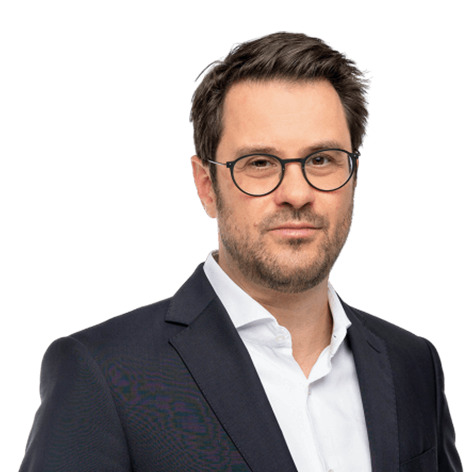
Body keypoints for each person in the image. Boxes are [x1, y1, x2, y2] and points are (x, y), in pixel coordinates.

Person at [21, 33, 462, 472]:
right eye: (260, 163)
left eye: (322, 159)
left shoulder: (412, 364)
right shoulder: (104, 373)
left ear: (352, 176)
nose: (296, 193)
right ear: (206, 186)